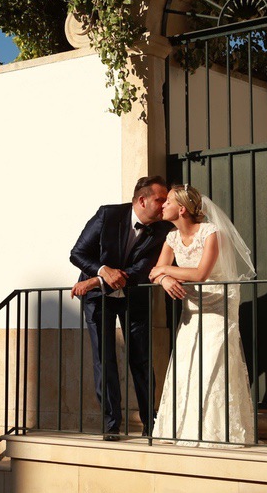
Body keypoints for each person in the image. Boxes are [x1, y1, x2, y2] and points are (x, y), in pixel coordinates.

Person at [148, 184, 256, 446]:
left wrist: (165, 270)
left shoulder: (211, 233)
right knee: (187, 361)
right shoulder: (172, 238)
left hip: (218, 304)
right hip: (192, 307)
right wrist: (163, 279)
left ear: (182, 208)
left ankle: (216, 432)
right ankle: (183, 429)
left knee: (212, 364)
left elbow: (200, 274)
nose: (162, 205)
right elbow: (154, 271)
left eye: (168, 201)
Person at [70, 176, 172, 441]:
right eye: (160, 199)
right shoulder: (108, 215)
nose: (165, 205)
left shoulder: (162, 230)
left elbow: (142, 270)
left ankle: (151, 424)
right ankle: (111, 424)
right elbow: (78, 253)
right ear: (142, 200)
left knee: (141, 359)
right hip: (97, 299)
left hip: (133, 296)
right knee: (104, 359)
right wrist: (103, 272)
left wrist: (99, 279)